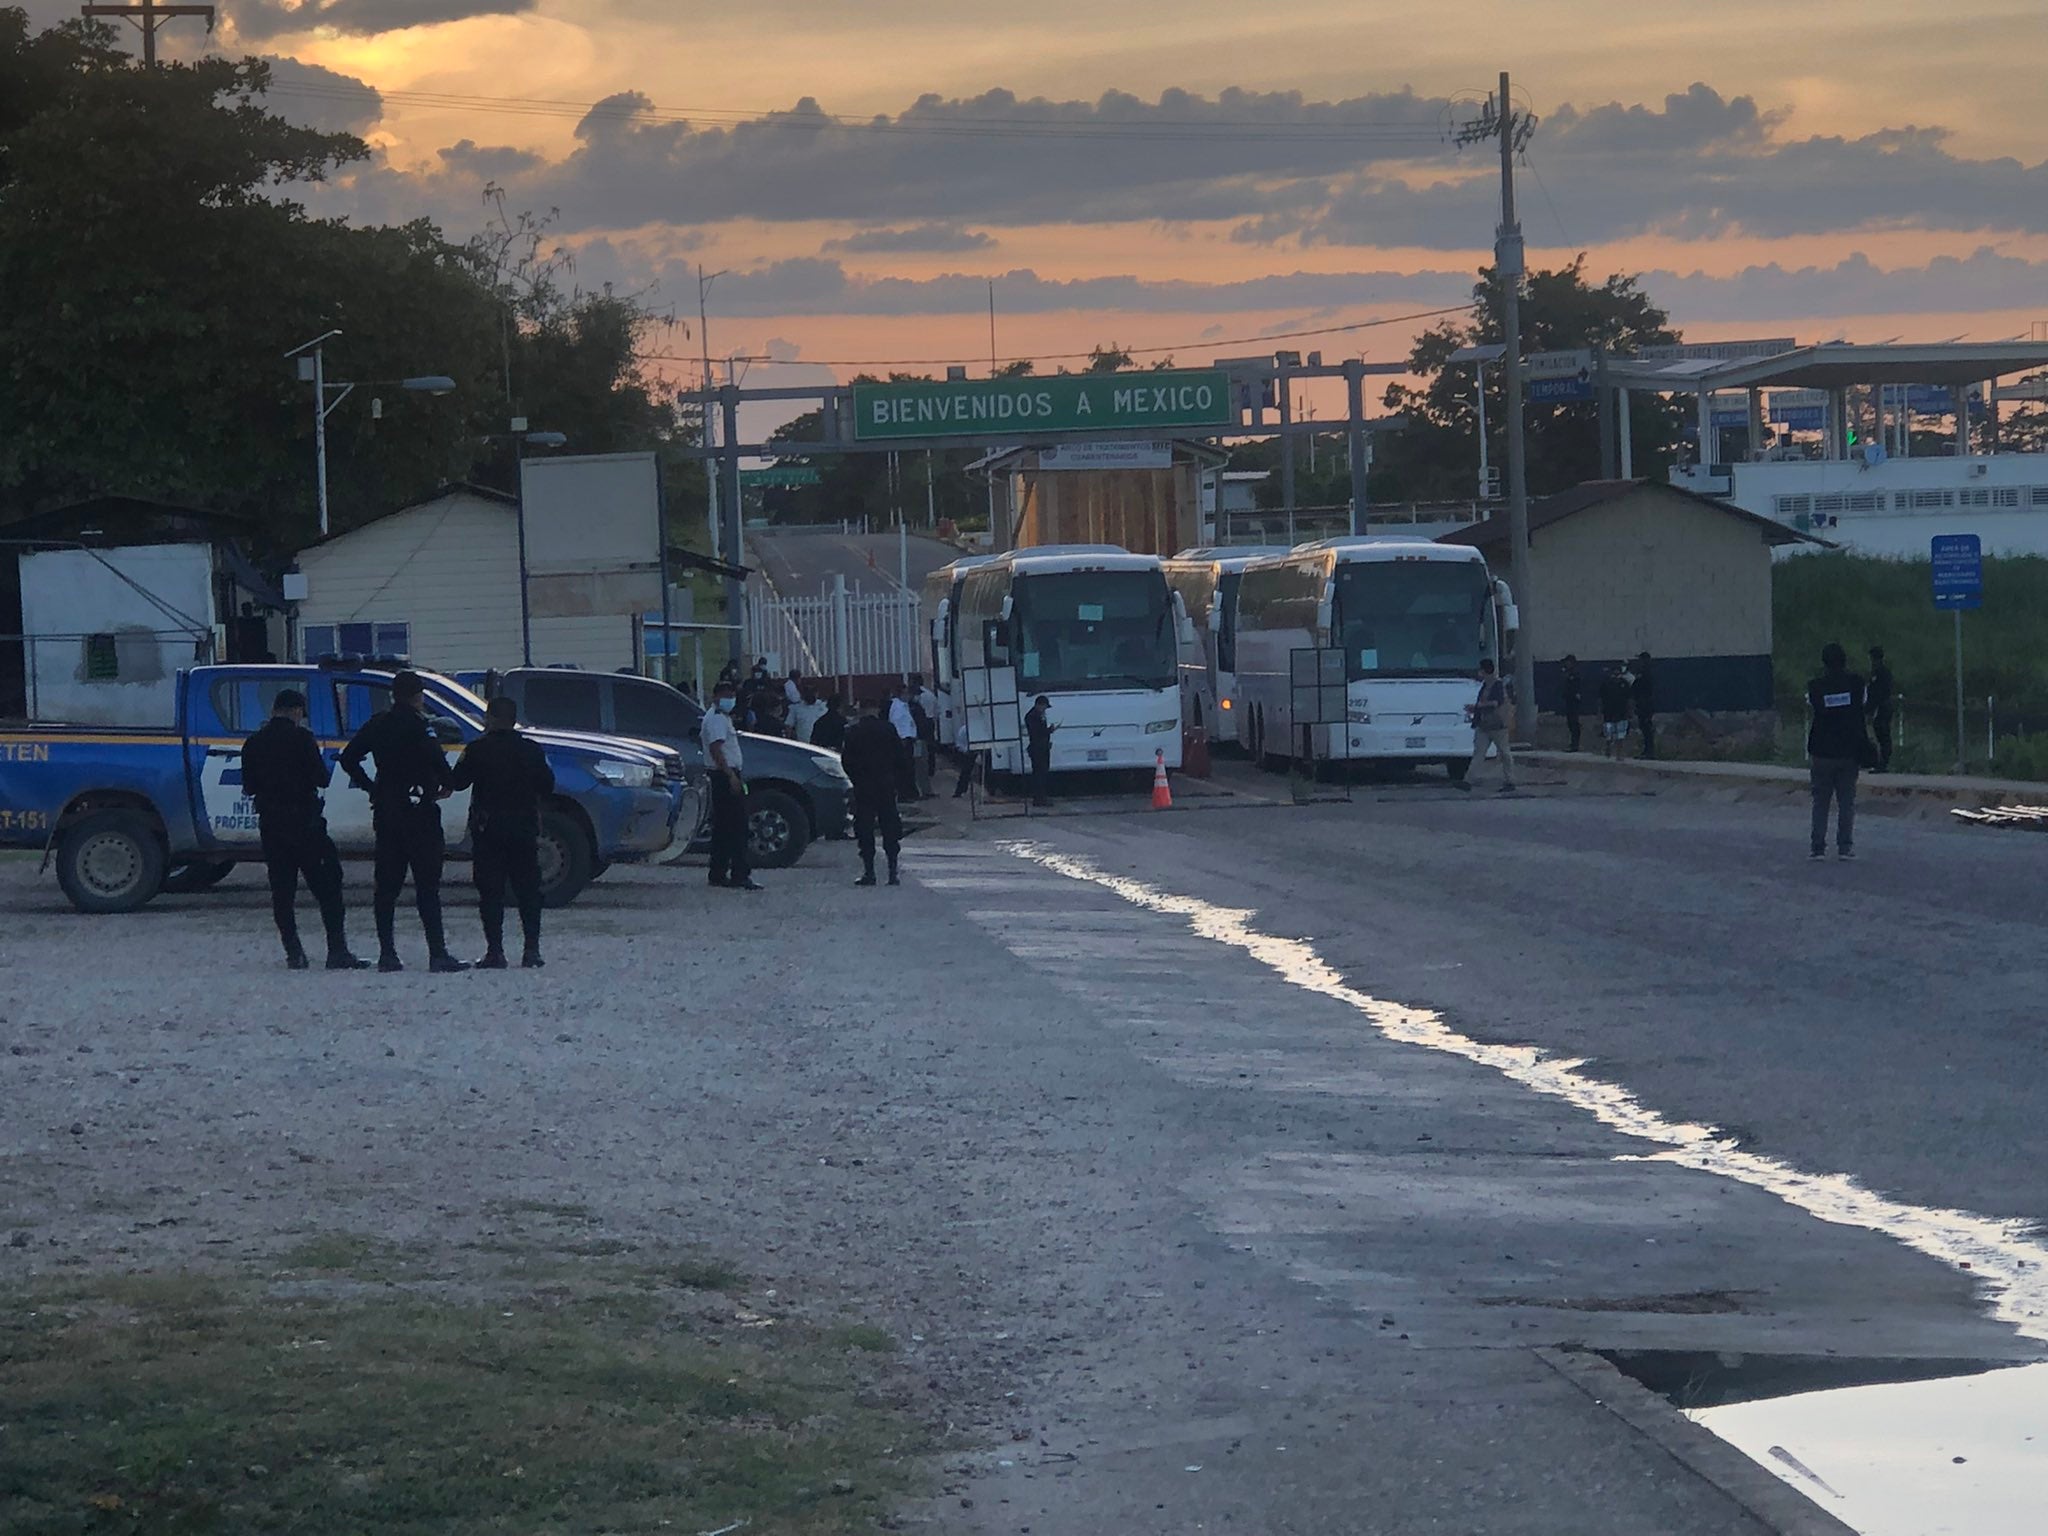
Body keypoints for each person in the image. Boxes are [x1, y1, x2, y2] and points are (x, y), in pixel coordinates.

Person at [339, 670, 467, 973]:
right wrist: (447, 783)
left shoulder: (378, 723)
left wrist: (371, 786)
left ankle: (388, 954)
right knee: (427, 886)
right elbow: (435, 759)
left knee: (386, 887)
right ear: (418, 695)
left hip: (387, 809)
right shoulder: (421, 726)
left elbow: (348, 758)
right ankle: (437, 953)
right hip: (419, 810)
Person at [239, 689, 368, 970]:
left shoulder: (253, 743)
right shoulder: (302, 739)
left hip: (272, 825)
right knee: (328, 887)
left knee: (282, 892)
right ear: (296, 711)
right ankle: (337, 950)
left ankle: (294, 952)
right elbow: (321, 778)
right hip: (305, 823)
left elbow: (249, 786)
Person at [449, 696, 554, 969]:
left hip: (489, 829)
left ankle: (495, 951)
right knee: (528, 890)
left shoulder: (478, 750)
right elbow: (547, 785)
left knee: (491, 891)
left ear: (490, 718)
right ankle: (532, 950)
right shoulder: (531, 750)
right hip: (524, 827)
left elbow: (458, 782)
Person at [1807, 641, 1870, 861]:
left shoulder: (1815, 687)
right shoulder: (1856, 684)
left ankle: (1817, 847)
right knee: (1846, 801)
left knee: (1820, 801)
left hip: (1822, 752)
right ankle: (1844, 847)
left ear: (1824, 662)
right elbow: (1863, 707)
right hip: (1848, 751)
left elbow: (1814, 707)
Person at [701, 679, 760, 891]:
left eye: (731, 694)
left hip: (724, 774)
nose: (729, 699)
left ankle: (718, 872)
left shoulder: (720, 717)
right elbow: (716, 749)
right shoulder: (716, 719)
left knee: (724, 828)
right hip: (724, 775)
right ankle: (740, 874)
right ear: (716, 696)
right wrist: (731, 776)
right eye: (725, 695)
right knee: (737, 827)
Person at [839, 698, 904, 887]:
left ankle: (870, 871)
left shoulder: (853, 732)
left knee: (865, 827)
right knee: (890, 825)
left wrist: (856, 779)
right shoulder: (889, 729)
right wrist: (895, 779)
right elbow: (901, 758)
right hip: (886, 785)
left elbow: (846, 761)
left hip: (864, 787)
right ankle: (893, 872)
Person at [1460, 659, 1515, 793]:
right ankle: (1467, 781)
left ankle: (1510, 781)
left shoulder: (1497, 685)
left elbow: (1496, 703)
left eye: (1480, 670)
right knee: (1478, 754)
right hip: (1484, 725)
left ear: (1484, 671)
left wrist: (1477, 707)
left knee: (1505, 753)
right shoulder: (1485, 685)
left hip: (1497, 726)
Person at [888, 684, 920, 800]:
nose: (908, 696)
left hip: (908, 739)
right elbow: (897, 724)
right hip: (904, 741)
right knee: (905, 769)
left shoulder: (903, 706)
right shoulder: (898, 707)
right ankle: (905, 794)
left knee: (909, 768)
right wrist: (902, 738)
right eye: (906, 693)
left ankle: (910, 793)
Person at [1867, 645, 1895, 771]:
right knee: (1881, 732)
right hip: (1884, 704)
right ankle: (1882, 761)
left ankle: (1883, 761)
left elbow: (1877, 692)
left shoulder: (1880, 672)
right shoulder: (1882, 672)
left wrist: (1869, 707)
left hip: (1882, 705)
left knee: (1882, 732)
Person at [1024, 694, 1055, 808]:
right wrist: (1048, 731)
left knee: (1043, 773)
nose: (1045, 710)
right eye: (1044, 707)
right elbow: (1036, 733)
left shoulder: (1039, 715)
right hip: (1037, 748)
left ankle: (1042, 797)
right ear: (1039, 705)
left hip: (1043, 747)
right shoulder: (1032, 716)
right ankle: (1039, 798)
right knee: (1039, 774)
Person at [1598, 664, 1632, 761]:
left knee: (1621, 734)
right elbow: (1600, 699)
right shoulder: (1606, 684)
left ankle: (1619, 753)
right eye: (1614, 672)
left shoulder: (1624, 684)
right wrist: (1599, 712)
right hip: (1609, 712)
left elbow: (1629, 699)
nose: (1616, 674)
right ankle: (1608, 748)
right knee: (1609, 733)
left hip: (1621, 712)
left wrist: (1630, 712)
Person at [1631, 651, 1657, 760]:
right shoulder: (1643, 672)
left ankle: (1649, 751)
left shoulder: (1646, 673)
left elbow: (1642, 688)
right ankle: (1647, 750)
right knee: (1644, 726)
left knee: (1646, 727)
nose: (1639, 662)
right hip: (1642, 703)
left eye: (1640, 660)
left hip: (1645, 704)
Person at [914, 674, 941, 776]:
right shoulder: (930, 694)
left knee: (918, 746)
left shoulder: (916, 696)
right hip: (930, 722)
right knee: (930, 747)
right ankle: (931, 769)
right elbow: (938, 711)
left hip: (919, 722)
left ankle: (920, 768)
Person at [1558, 654, 1583, 753]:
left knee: (1573, 722)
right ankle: (1573, 743)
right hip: (1569, 700)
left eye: (1567, 662)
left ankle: (1575, 744)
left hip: (1573, 700)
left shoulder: (1575, 673)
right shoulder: (1567, 673)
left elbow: (1575, 686)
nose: (1566, 664)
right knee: (1570, 722)